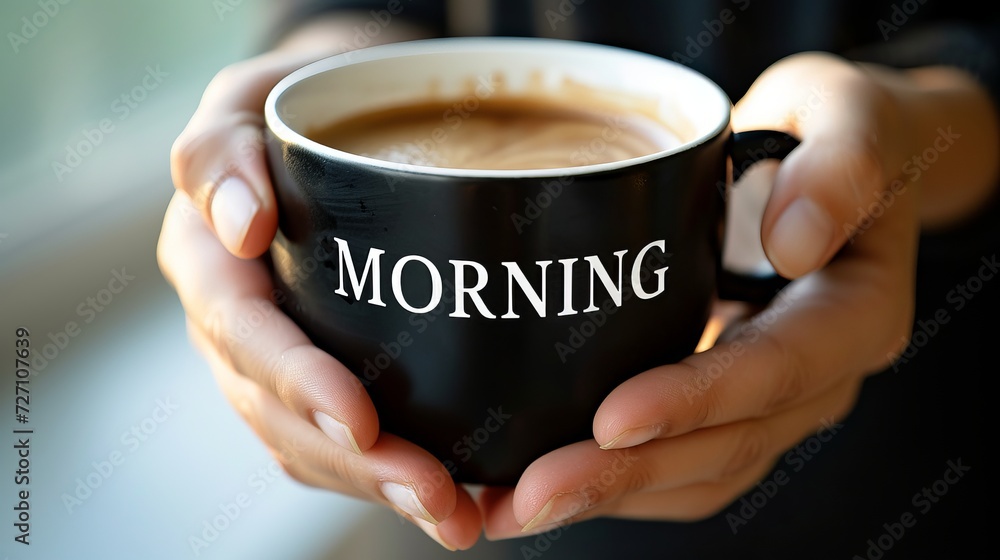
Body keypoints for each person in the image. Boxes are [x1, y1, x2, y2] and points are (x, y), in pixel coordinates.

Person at [157, 1, 998, 557]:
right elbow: (360, 10)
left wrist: (910, 138)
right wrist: (312, 74)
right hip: (450, 530)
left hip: (902, 474)